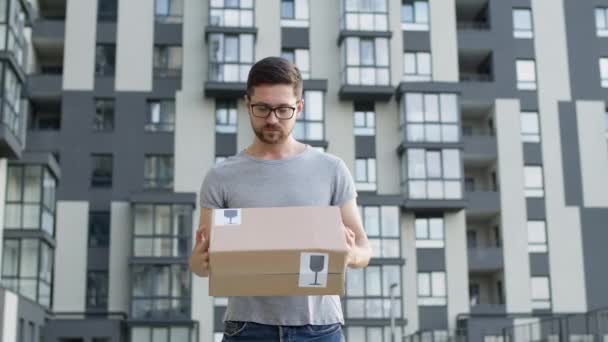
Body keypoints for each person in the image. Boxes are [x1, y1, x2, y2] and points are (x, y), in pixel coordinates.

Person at [188, 56, 372, 342]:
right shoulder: (221, 177)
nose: (272, 119)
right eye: (262, 108)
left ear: (298, 108)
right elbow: (202, 264)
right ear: (247, 104)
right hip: (247, 329)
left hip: (319, 328)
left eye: (283, 109)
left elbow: (363, 249)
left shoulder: (331, 169)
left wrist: (350, 255)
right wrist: (198, 262)